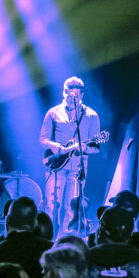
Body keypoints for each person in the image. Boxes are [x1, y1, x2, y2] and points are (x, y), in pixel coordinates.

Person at [39, 76, 101, 236]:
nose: (71, 98)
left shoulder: (91, 115)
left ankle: (65, 241)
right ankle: (49, 240)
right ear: (63, 92)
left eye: (75, 95)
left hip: (77, 169)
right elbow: (43, 139)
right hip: (56, 166)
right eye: (68, 95)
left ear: (81, 95)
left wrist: (83, 149)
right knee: (51, 206)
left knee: (71, 208)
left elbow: (96, 148)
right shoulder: (53, 113)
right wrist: (57, 147)